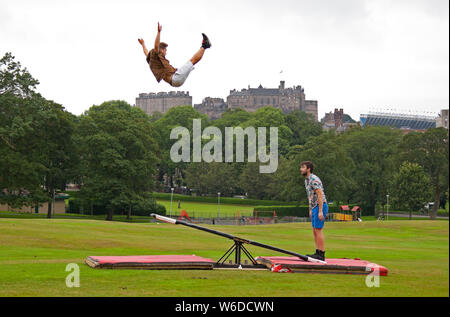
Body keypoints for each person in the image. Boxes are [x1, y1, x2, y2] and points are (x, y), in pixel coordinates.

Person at [138, 22, 211, 87]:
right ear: (161, 50)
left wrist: (143, 44)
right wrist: (158, 32)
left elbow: (146, 52)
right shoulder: (156, 53)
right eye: (164, 50)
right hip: (175, 78)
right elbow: (156, 46)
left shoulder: (152, 59)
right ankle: (205, 45)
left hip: (175, 80)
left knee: (192, 62)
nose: (166, 51)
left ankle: (205, 46)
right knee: (192, 61)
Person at [300, 161, 329, 261]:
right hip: (314, 207)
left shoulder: (313, 179)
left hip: (320, 205)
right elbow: (310, 196)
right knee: (314, 230)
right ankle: (317, 252)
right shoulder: (306, 180)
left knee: (318, 229)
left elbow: (320, 194)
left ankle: (321, 254)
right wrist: (310, 209)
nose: (301, 169)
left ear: (308, 169)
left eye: (303, 167)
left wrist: (320, 211)